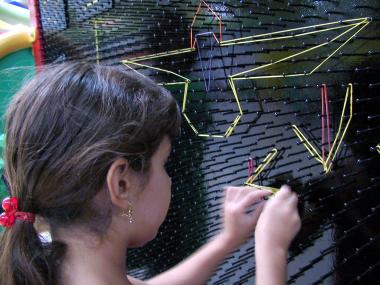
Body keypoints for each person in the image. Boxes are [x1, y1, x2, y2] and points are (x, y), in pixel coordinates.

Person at [0, 62, 300, 285]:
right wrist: (271, 251)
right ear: (122, 184)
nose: (169, 179)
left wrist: (228, 240)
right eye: (164, 164)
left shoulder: (59, 261)